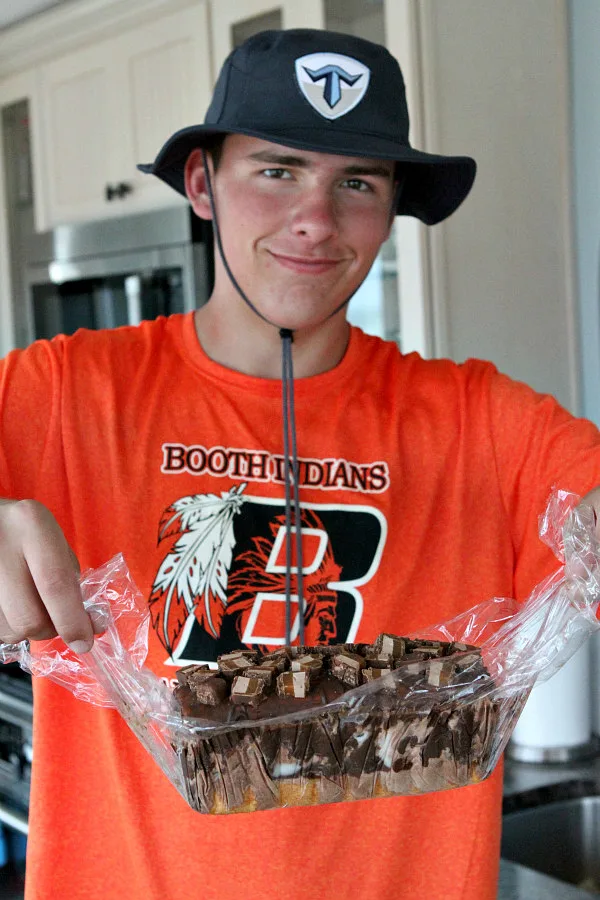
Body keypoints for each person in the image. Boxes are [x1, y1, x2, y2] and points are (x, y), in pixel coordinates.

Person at [0, 27, 599, 900]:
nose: (316, 219)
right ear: (203, 184)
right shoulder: (59, 392)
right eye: (277, 169)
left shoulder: (481, 419)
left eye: (356, 182)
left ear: (391, 208)